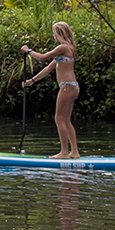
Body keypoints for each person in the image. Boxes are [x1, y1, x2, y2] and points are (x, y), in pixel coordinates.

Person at [22, 21, 80, 159]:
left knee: (59, 119)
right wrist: (32, 81)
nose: (53, 35)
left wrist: (28, 51)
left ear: (60, 33)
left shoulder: (63, 47)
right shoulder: (67, 49)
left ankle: (64, 152)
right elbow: (48, 68)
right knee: (66, 120)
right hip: (72, 87)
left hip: (67, 87)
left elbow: (43, 58)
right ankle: (75, 152)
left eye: (54, 32)